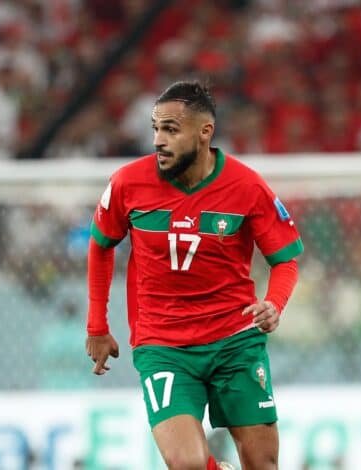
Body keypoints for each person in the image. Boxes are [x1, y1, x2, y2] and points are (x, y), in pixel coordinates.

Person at [85, 80, 303, 470]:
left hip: (235, 341)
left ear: (205, 132)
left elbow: (285, 260)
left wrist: (275, 303)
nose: (158, 140)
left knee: (263, 463)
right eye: (155, 128)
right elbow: (101, 245)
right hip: (163, 345)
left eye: (170, 129)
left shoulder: (247, 186)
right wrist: (97, 326)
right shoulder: (127, 183)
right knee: (186, 464)